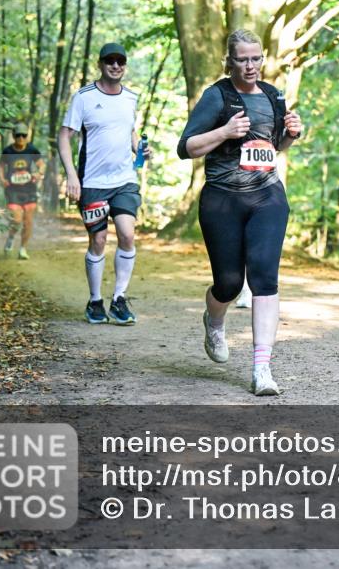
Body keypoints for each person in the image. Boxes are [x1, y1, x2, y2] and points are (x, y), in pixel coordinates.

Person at [177, 29, 303, 396]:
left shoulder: (273, 95)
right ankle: (214, 319)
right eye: (242, 59)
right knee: (229, 284)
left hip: (267, 196)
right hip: (222, 200)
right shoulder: (216, 97)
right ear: (229, 62)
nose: (250, 66)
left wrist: (292, 134)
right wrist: (226, 131)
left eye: (255, 58)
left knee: (265, 276)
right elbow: (186, 147)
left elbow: (276, 146)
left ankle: (262, 368)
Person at [58, 42, 150, 325]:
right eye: (110, 61)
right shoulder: (84, 97)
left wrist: (140, 149)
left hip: (124, 180)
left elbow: (130, 132)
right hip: (93, 182)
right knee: (98, 239)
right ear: (100, 64)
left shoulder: (131, 98)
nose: (115, 66)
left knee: (126, 233)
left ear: (125, 65)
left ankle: (119, 299)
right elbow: (64, 137)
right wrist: (72, 176)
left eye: (120, 61)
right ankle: (95, 300)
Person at [0, 123, 45, 260]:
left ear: (27, 136)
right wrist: (2, 179)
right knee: (17, 219)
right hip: (12, 190)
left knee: (28, 221)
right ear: (13, 136)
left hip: (29, 189)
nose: (21, 138)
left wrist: (39, 173)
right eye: (18, 135)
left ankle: (23, 249)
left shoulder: (32, 150)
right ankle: (11, 238)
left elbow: (41, 165)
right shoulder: (7, 151)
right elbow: (0, 166)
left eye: (23, 135)